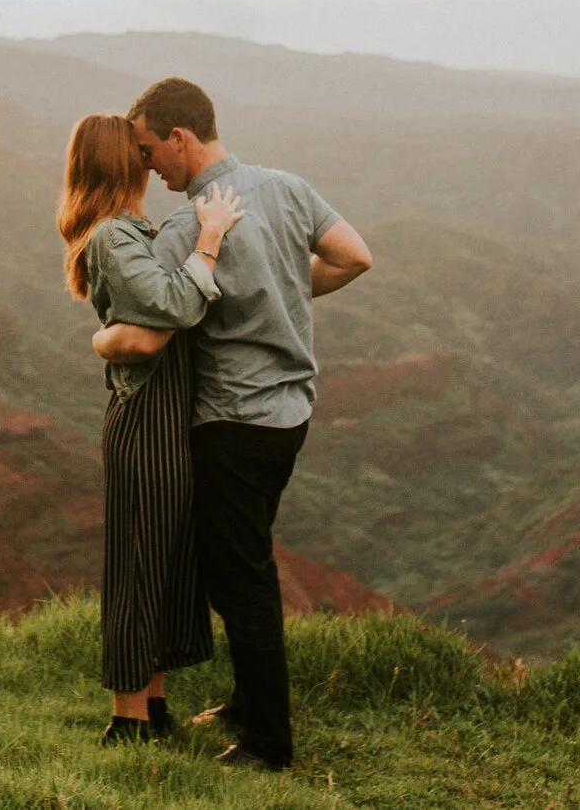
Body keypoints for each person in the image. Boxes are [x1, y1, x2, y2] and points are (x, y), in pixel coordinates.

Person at [95, 77, 374, 773]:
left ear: (180, 138)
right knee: (241, 562)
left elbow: (152, 326)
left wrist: (102, 342)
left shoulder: (189, 229)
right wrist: (285, 286)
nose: (149, 166)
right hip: (291, 414)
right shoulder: (286, 187)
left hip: (231, 421)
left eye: (152, 149)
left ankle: (267, 744)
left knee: (241, 581)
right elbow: (355, 256)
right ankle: (247, 704)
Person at [58, 112, 245, 747]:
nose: (150, 159)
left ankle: (154, 706)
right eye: (138, 152)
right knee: (138, 563)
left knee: (167, 561)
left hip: (173, 416)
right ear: (123, 162)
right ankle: (127, 719)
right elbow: (170, 309)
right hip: (144, 421)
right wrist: (210, 239)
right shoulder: (112, 236)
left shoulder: (138, 230)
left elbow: (153, 326)